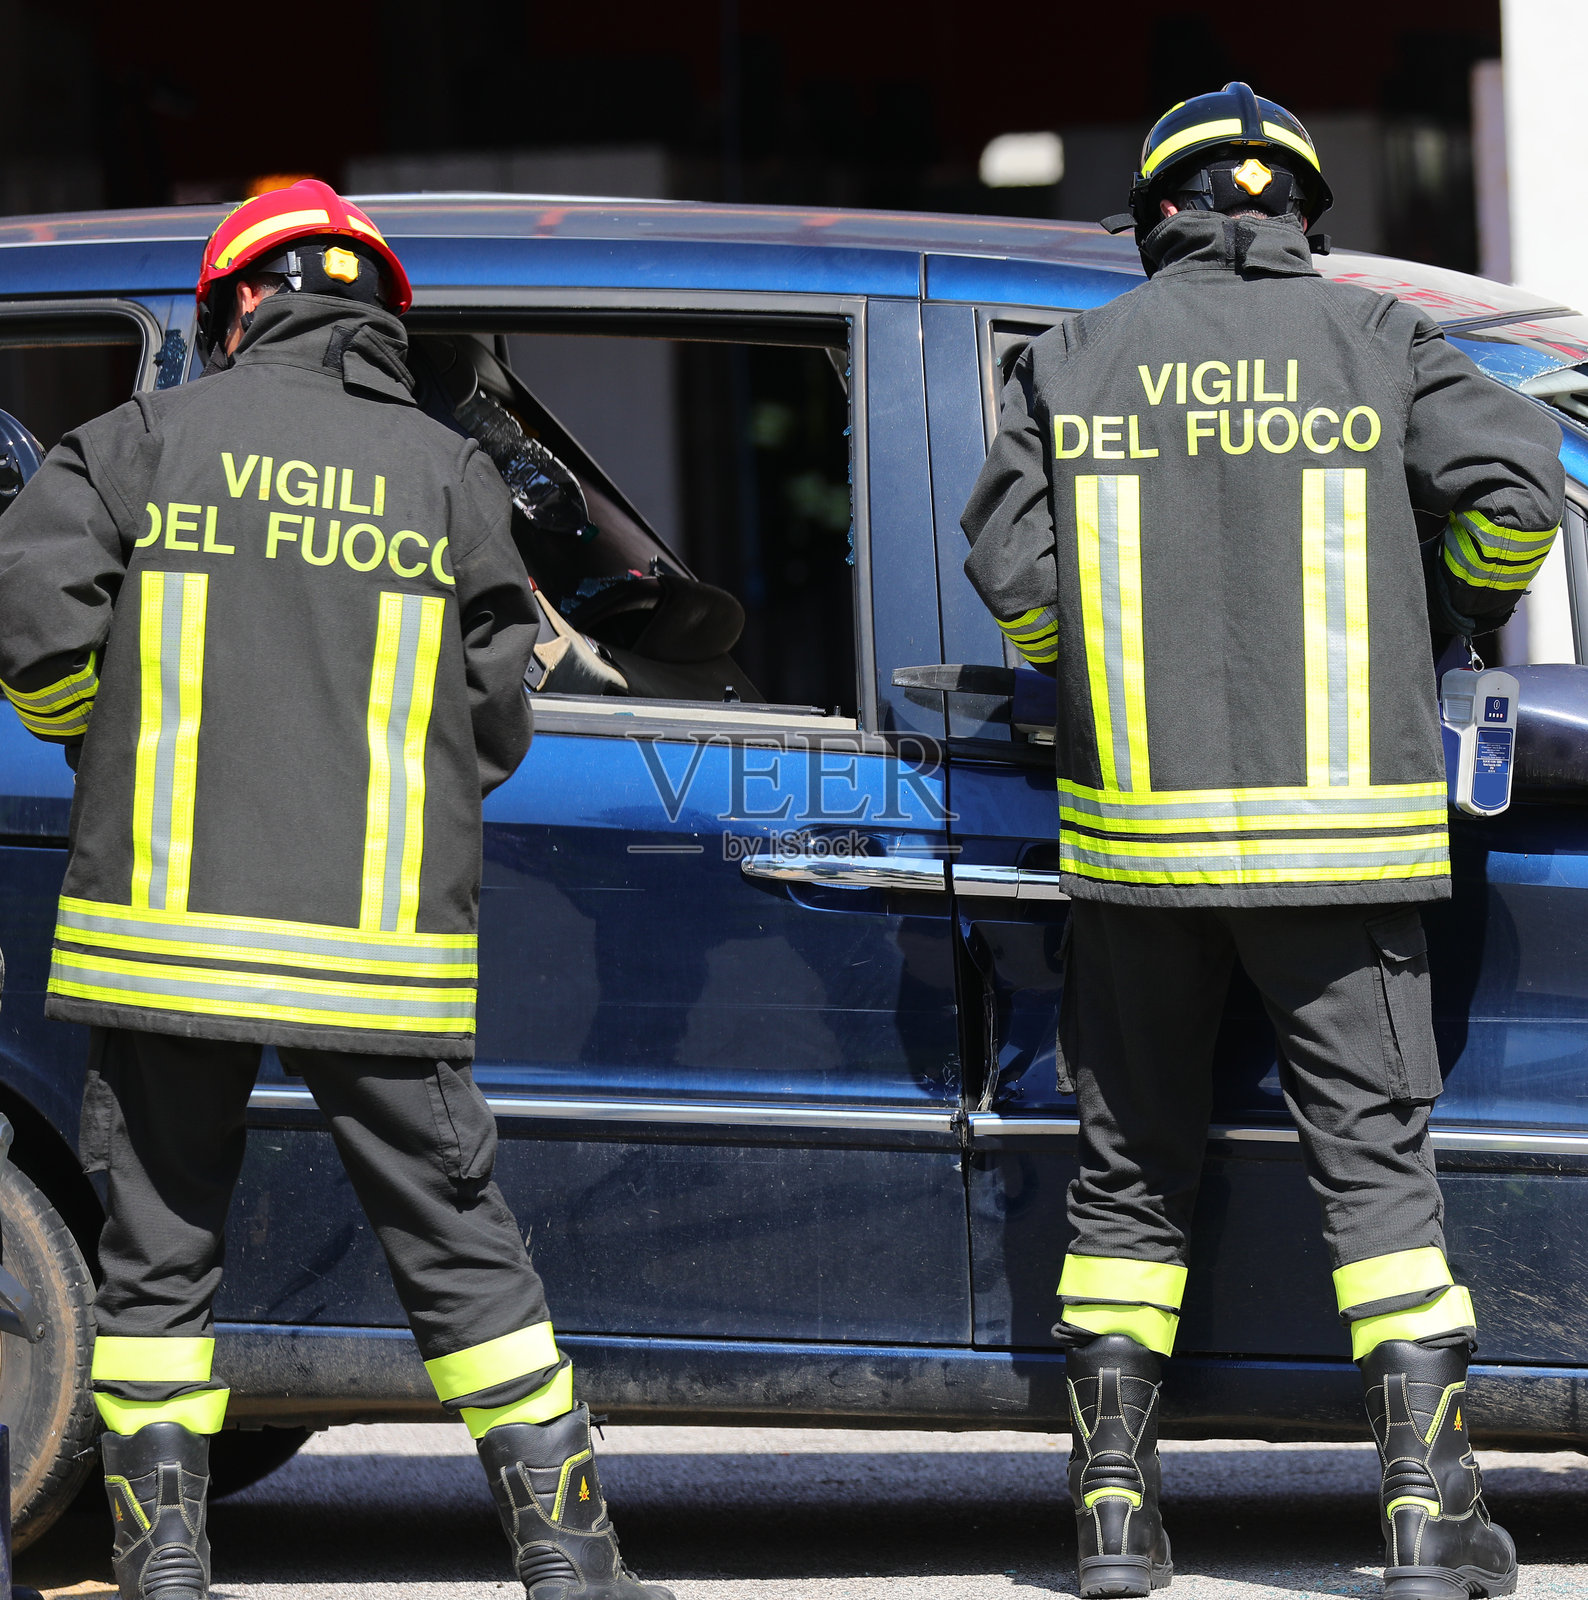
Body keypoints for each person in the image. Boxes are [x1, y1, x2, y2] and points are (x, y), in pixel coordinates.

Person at [0, 179, 671, 1600]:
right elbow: (497, 712)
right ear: (375, 315)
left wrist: (96, 738)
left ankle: (161, 1555)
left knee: (160, 1254)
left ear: (238, 304)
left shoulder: (136, 444)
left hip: (163, 936)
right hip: (373, 948)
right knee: (457, 1242)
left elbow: (32, 626)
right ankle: (567, 1551)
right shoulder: (449, 475)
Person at [961, 84, 1562, 1600]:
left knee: (1128, 1178)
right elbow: (1519, 499)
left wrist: (1082, 669)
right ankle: (1430, 1524)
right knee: (1377, 1180)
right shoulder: (1380, 343)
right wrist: (1448, 616)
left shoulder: (1076, 357)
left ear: (1160, 215)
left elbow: (1011, 568)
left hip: (1139, 852)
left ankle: (1112, 1521)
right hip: (1344, 853)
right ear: (1305, 212)